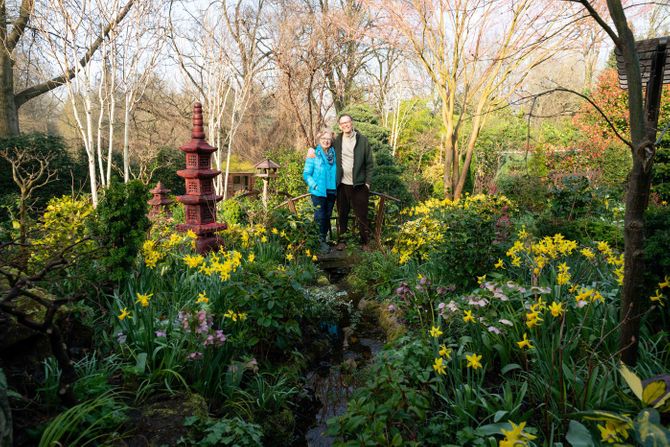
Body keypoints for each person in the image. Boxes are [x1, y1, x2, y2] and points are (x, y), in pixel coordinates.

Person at [333, 114, 374, 251]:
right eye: (342, 123)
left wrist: (367, 183)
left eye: (347, 122)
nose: (345, 125)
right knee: (342, 213)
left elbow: (369, 163)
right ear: (340, 126)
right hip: (342, 185)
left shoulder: (362, 140)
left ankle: (365, 242)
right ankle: (342, 241)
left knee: (362, 214)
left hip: (359, 185)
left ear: (352, 123)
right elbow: (324, 145)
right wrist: (312, 150)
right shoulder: (337, 140)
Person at [303, 129, 337, 253]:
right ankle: (319, 242)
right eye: (323, 139)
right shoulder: (314, 154)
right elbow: (306, 174)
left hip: (332, 190)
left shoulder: (335, 154)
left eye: (328, 139)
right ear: (319, 140)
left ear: (331, 141)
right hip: (318, 191)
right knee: (319, 216)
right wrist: (314, 185)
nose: (326, 141)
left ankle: (323, 240)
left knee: (327, 216)